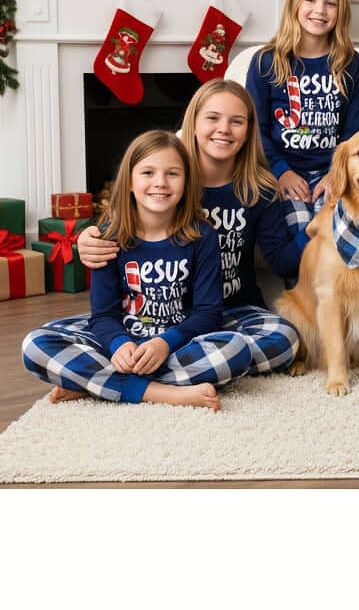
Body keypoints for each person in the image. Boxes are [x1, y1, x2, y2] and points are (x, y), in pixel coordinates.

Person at [76, 79, 304, 374]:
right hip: (161, 314)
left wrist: (320, 232)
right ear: (193, 123)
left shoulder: (259, 190)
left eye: (237, 121)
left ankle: (125, 375)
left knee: (284, 339)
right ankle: (168, 371)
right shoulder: (166, 180)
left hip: (232, 311)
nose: (224, 129)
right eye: (212, 118)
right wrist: (85, 239)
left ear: (248, 132)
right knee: (64, 336)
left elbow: (282, 260)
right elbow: (115, 229)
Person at [22, 131, 249, 411]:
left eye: (172, 174)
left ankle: (94, 383)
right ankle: (164, 392)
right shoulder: (107, 238)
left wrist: (165, 343)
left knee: (236, 349)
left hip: (178, 341)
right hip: (124, 337)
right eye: (148, 173)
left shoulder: (202, 237)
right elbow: (104, 315)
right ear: (129, 181)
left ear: (187, 182)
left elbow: (207, 313)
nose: (160, 183)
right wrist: (118, 344)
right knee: (36, 344)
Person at [245, 0, 359, 237]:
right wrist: (281, 172)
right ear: (295, 4)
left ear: (341, 12)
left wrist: (336, 175)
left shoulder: (351, 65)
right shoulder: (267, 62)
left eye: (330, 3)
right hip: (284, 171)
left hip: (335, 172)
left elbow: (356, 132)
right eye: (310, 0)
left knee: (341, 229)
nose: (320, 10)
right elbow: (256, 128)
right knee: (302, 233)